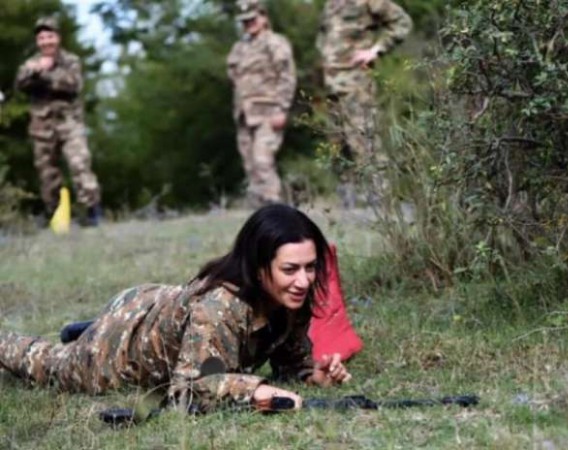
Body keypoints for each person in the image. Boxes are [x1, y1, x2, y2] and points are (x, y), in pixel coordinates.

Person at [0, 204, 351, 412]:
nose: (304, 280)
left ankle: (83, 328)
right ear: (259, 268)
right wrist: (255, 391)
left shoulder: (290, 294)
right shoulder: (219, 308)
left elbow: (290, 360)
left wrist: (312, 375)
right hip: (119, 349)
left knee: (184, 329)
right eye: (290, 269)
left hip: (159, 305)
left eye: (310, 266)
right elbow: (188, 391)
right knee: (48, 363)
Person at [316, 0, 412, 207]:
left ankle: (381, 200)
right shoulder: (330, 5)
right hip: (332, 86)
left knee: (365, 138)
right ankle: (348, 202)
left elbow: (402, 23)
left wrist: (376, 50)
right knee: (337, 144)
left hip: (356, 84)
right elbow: (325, 38)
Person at [15, 17, 102, 226]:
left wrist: (44, 76)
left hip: (70, 123)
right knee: (47, 173)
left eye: (50, 37)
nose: (46, 42)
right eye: (42, 38)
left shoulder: (70, 61)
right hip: (42, 126)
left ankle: (92, 212)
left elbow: (72, 85)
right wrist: (35, 73)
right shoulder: (31, 64)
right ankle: (54, 214)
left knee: (79, 164)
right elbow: (20, 85)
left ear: (58, 38)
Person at [227, 0, 297, 208]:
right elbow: (233, 76)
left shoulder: (275, 43)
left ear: (264, 17)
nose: (249, 24)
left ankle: (276, 208)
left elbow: (287, 76)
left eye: (252, 19)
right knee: (251, 166)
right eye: (245, 21)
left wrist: (282, 108)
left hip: (268, 112)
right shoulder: (240, 47)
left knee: (262, 161)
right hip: (244, 114)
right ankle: (261, 213)